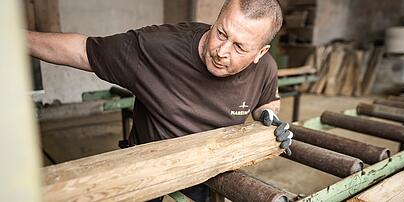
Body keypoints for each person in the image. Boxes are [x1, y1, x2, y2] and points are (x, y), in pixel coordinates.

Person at [28, 0, 293, 201]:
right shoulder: (156, 47)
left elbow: (267, 102)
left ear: (261, 52)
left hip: (210, 170)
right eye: (221, 33)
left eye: (239, 47)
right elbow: (82, 51)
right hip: (148, 165)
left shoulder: (265, 68)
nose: (222, 51)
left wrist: (269, 117)